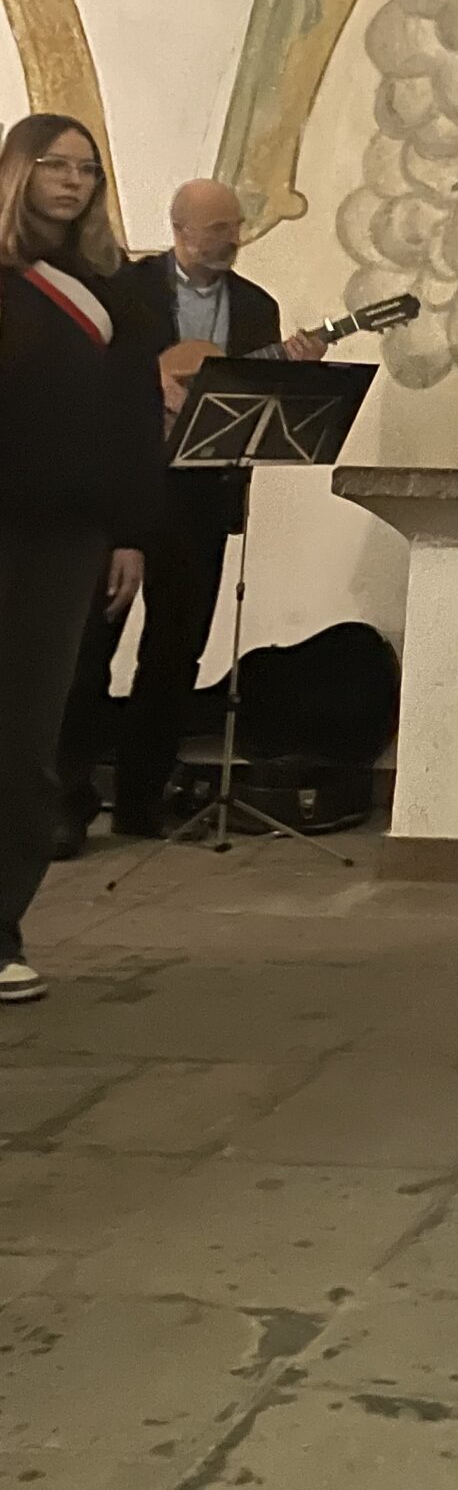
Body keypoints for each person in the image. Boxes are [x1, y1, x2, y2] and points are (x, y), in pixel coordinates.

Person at [56, 179, 325, 848]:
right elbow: (86, 376)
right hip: (120, 491)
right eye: (220, 227)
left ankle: (141, 803)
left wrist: (295, 372)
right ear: (181, 230)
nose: (234, 237)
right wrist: (150, 387)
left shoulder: (256, 306)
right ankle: (65, 805)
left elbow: (253, 400)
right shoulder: (124, 289)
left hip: (200, 500)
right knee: (88, 652)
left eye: (235, 225)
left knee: (175, 656)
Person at [0, 115, 162, 1001]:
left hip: (62, 538)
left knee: (26, 739)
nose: (72, 181)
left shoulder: (110, 288)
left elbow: (133, 420)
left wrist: (129, 530)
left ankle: (1, 930)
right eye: (55, 165)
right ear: (17, 171)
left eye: (87, 169)